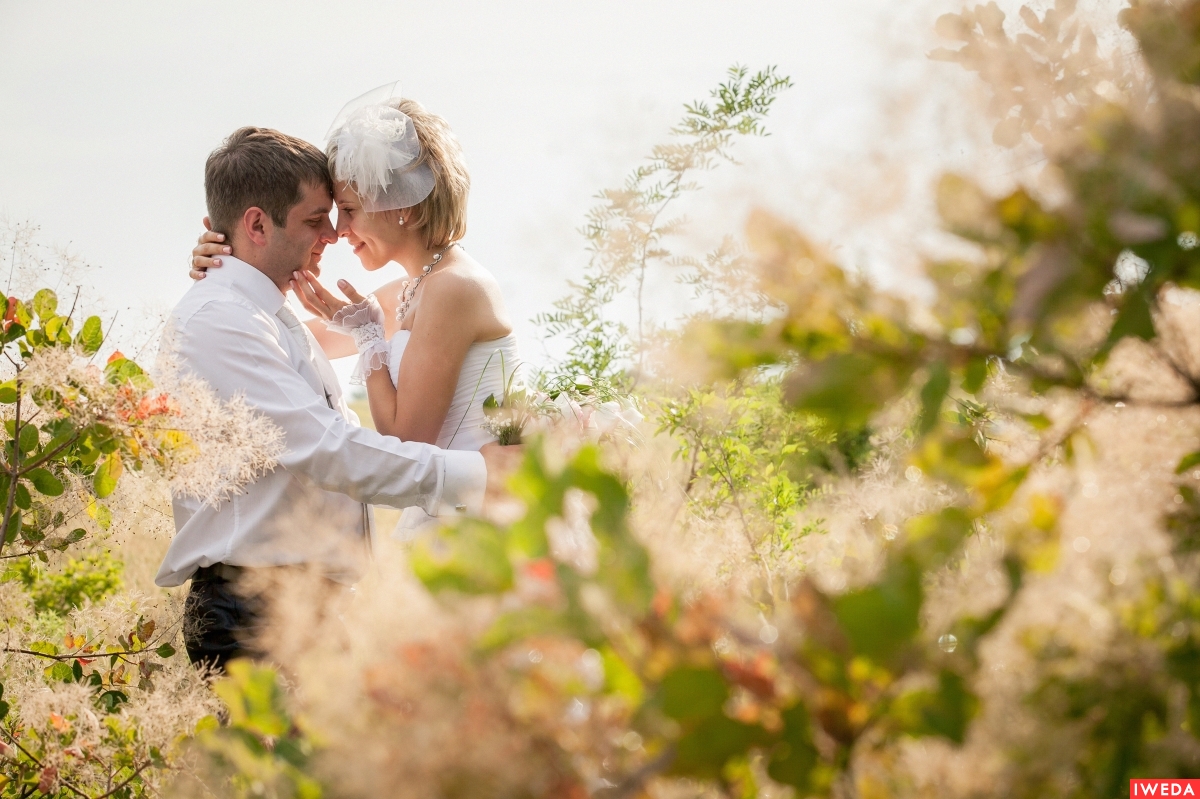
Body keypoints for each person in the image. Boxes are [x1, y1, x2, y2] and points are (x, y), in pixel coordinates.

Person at [160, 125, 514, 673]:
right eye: (316, 219)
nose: (333, 233)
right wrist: (484, 476)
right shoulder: (224, 318)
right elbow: (329, 449)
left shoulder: (267, 315)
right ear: (257, 224)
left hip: (302, 606)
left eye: (343, 212)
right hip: (256, 609)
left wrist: (232, 265)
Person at [190, 87, 519, 539]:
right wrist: (228, 264)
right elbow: (283, 344)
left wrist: (369, 342)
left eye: (347, 210)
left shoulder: (453, 290)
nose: (339, 230)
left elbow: (405, 444)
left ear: (401, 207)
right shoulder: (411, 290)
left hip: (479, 520)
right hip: (453, 508)